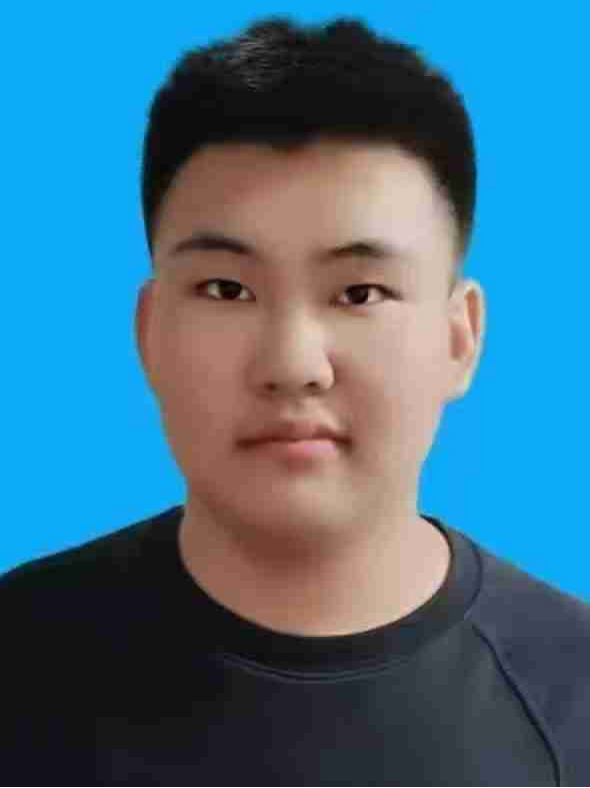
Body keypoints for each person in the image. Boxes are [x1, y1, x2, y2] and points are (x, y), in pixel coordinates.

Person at [2, 14, 588, 787]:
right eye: (227, 289)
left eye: (359, 292)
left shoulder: (573, 700)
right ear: (149, 332)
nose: (292, 364)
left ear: (460, 338)